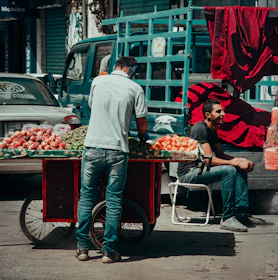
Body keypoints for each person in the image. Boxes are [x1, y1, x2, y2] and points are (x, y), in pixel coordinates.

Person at [76, 56, 148, 263]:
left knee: (87, 198)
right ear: (131, 70)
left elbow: (92, 105)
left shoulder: (98, 81)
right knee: (114, 200)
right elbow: (141, 124)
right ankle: (108, 251)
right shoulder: (135, 89)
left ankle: (82, 248)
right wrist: (143, 137)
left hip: (92, 147)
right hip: (117, 151)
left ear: (115, 67)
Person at [177, 99, 254, 232]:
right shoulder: (200, 128)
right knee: (229, 170)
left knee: (239, 168)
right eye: (218, 111)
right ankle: (228, 218)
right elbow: (209, 160)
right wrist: (233, 163)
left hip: (200, 170)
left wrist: (240, 160)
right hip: (189, 174)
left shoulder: (212, 130)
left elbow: (220, 154)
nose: (223, 114)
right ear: (208, 115)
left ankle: (241, 212)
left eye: (222, 110)